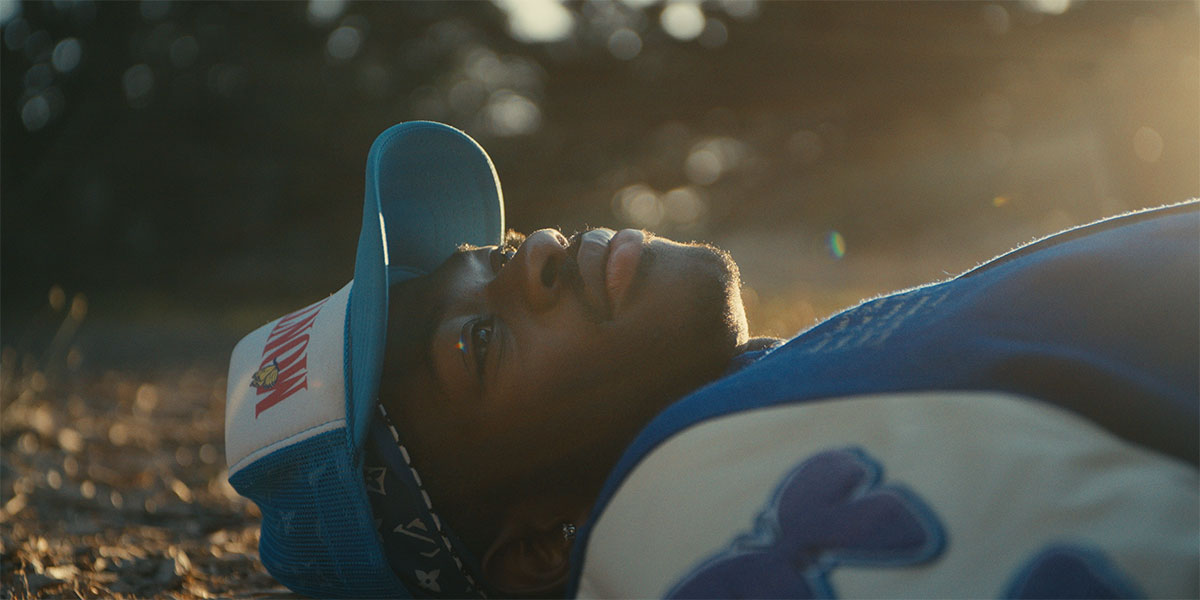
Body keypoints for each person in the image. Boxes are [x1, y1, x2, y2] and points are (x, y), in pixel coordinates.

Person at [224, 122, 1198, 599]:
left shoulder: (742, 425)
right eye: (479, 341)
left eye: (496, 252)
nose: (541, 251)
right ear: (540, 550)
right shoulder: (698, 522)